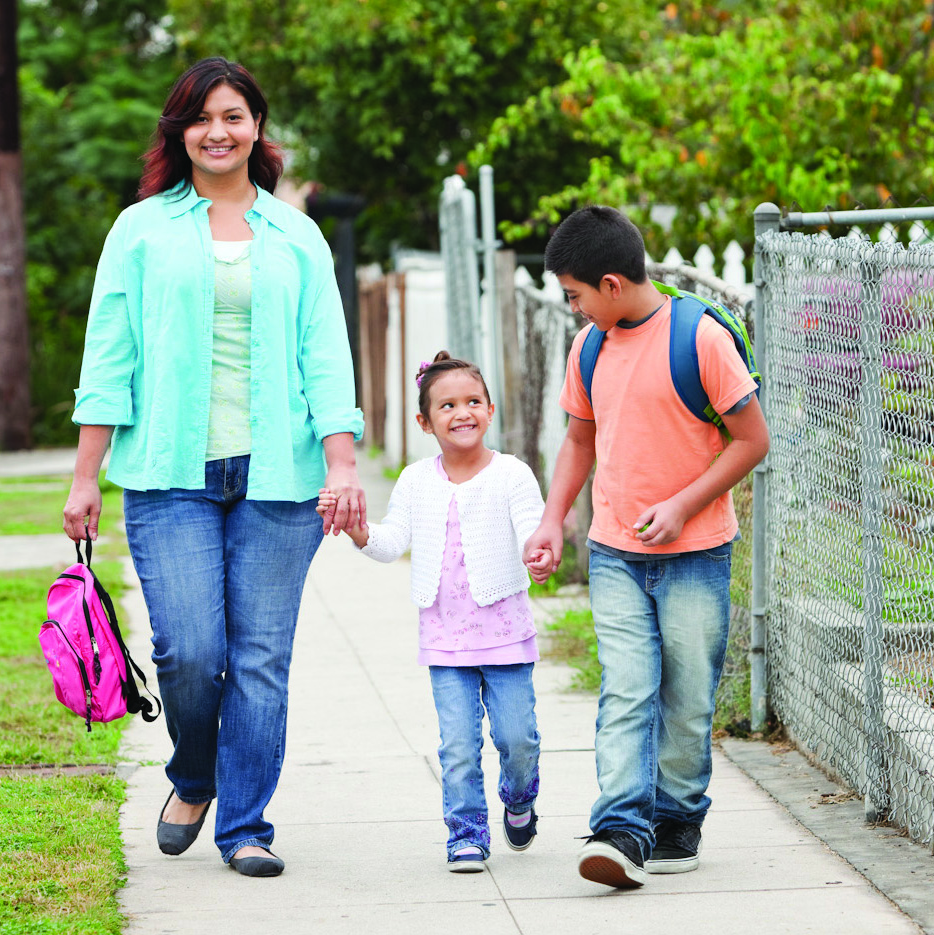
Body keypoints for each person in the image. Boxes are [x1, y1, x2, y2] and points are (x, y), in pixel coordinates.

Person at [62, 57, 365, 878]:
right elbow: (109, 355)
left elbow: (325, 357)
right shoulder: (141, 230)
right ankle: (192, 772)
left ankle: (246, 826)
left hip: (280, 478)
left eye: (233, 115)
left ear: (256, 127)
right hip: (169, 477)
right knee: (191, 652)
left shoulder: (295, 234)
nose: (218, 131)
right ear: (180, 131)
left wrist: (341, 463)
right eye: (202, 118)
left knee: (261, 658)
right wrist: (86, 474)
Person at [523, 206, 769, 889]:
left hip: (695, 555)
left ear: (608, 282)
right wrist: (552, 520)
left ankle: (677, 818)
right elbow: (578, 439)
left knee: (687, 698)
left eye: (573, 294)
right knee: (627, 690)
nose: (571, 308)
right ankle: (620, 827)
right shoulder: (590, 347)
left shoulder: (699, 339)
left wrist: (683, 503)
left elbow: (751, 439)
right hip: (614, 555)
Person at [317, 352, 552, 872]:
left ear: (490, 410)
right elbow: (390, 542)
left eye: (472, 401)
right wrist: (356, 528)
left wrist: (538, 554)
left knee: (518, 738)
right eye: (447, 405)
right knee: (458, 746)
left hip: (506, 634)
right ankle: (466, 833)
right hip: (446, 639)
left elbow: (531, 529)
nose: (461, 412)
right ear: (426, 421)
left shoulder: (512, 474)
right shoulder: (415, 480)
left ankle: (519, 796)